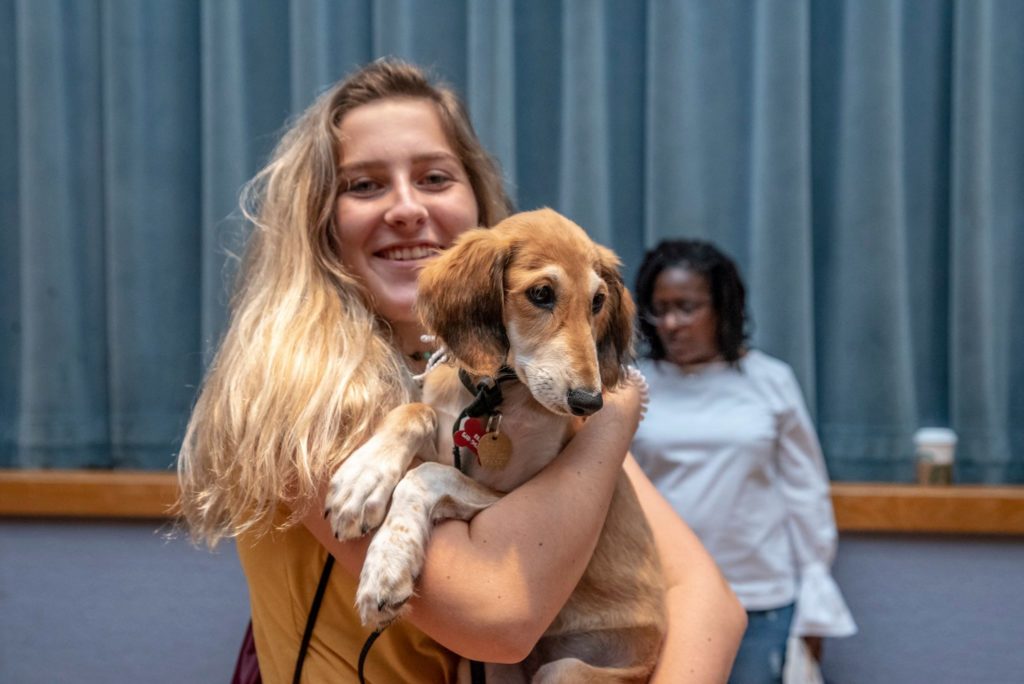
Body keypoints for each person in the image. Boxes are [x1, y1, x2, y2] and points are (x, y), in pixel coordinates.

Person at [177, 59, 746, 683]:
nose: (405, 208)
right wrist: (614, 414)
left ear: (477, 200)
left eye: (434, 176)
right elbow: (498, 617)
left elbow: (706, 598)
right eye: (364, 185)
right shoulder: (298, 386)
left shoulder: (520, 384)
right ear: (319, 221)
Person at [630, 240, 856, 684]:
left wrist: (816, 606)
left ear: (723, 308)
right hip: (663, 597)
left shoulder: (770, 381)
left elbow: (805, 495)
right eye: (660, 309)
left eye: (687, 307)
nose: (672, 323)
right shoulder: (633, 388)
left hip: (761, 598)